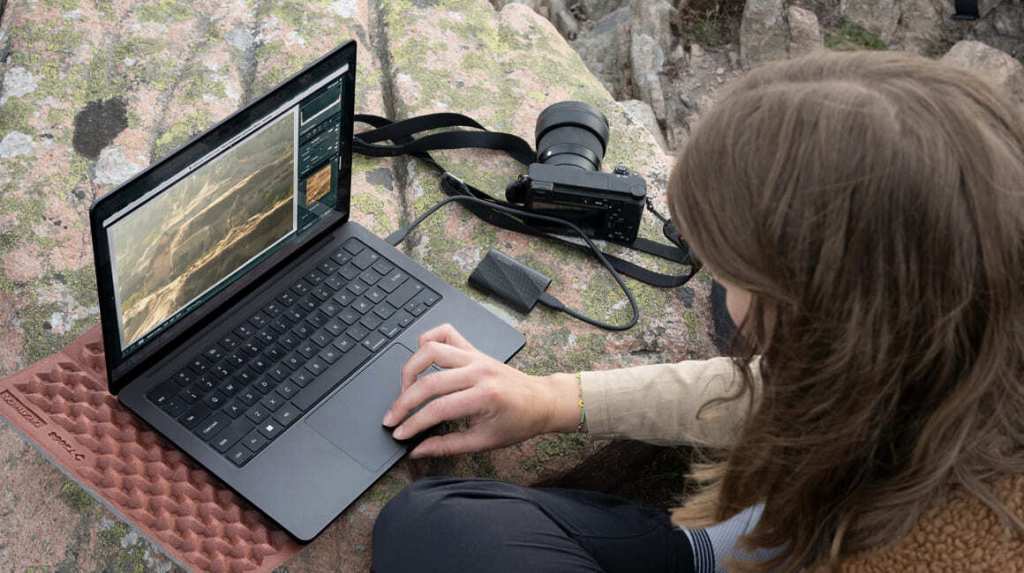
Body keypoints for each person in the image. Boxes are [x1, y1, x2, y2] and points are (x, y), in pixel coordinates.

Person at [371, 50, 1024, 572]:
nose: (711, 270)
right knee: (429, 523)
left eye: (728, 266)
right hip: (761, 536)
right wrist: (552, 399)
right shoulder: (951, 345)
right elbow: (781, 386)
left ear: (825, 322)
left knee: (431, 535)